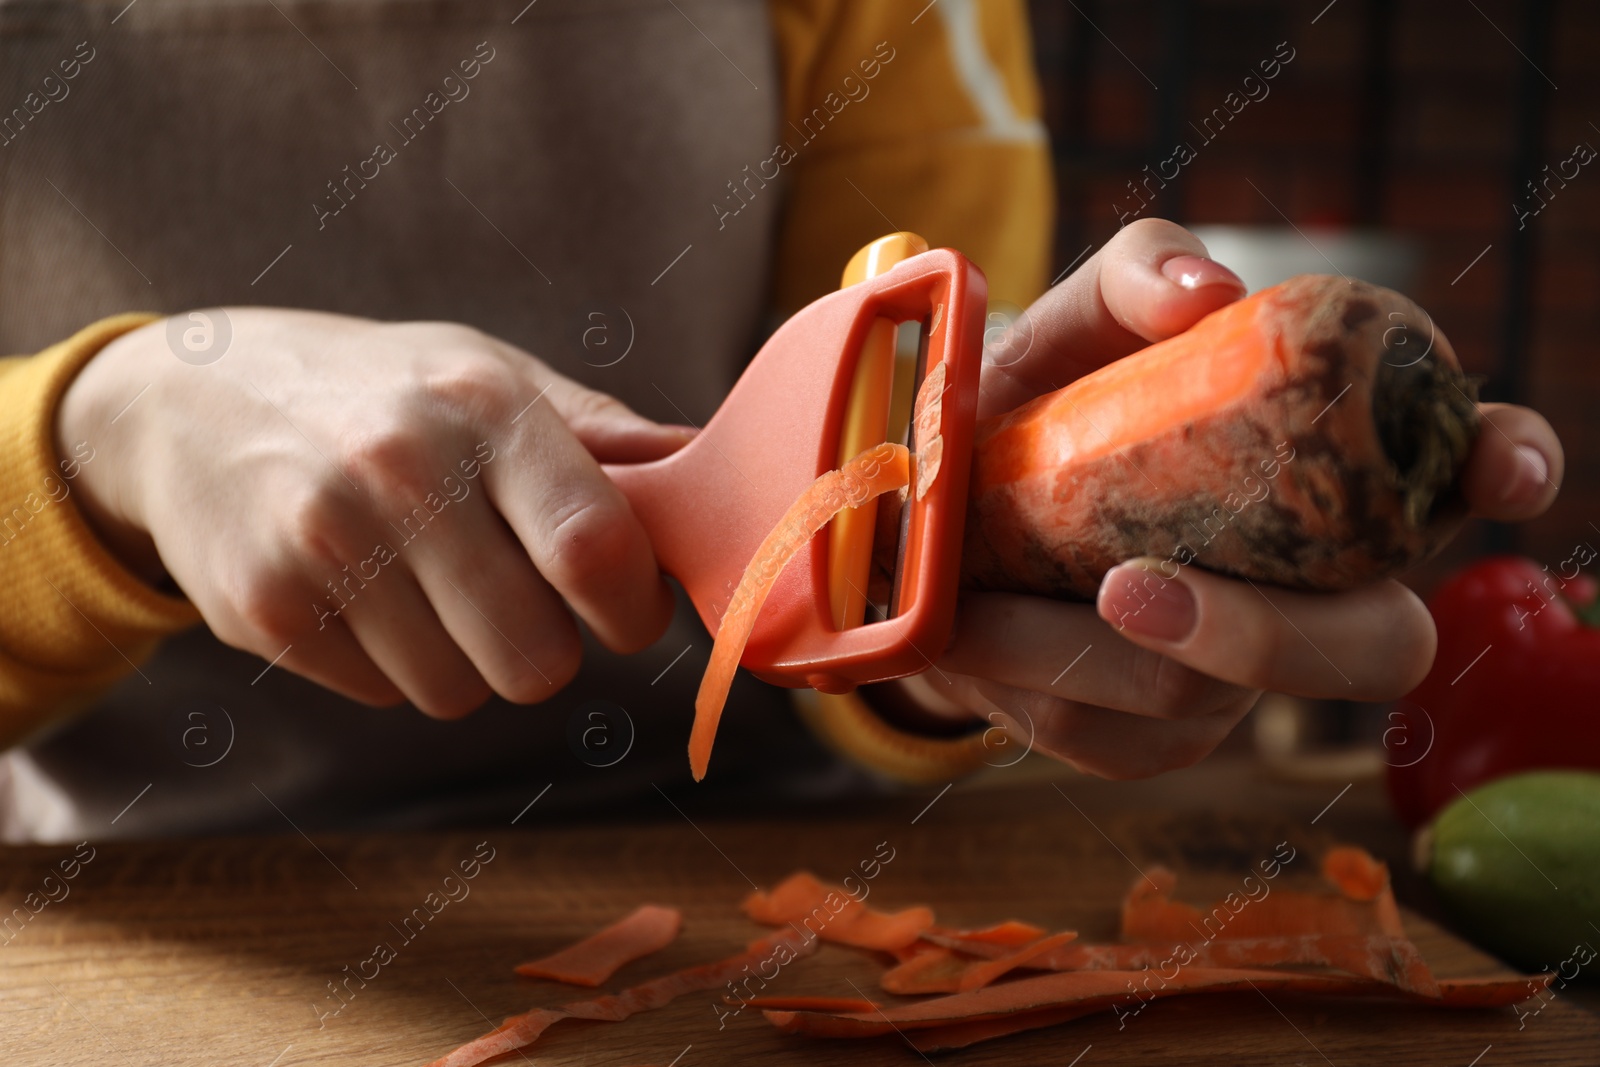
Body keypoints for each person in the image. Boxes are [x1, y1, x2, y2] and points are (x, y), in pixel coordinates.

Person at [0, 1, 1561, 840]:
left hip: (744, 882)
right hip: (113, 912)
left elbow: (917, 494)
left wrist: (984, 645)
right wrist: (97, 441)